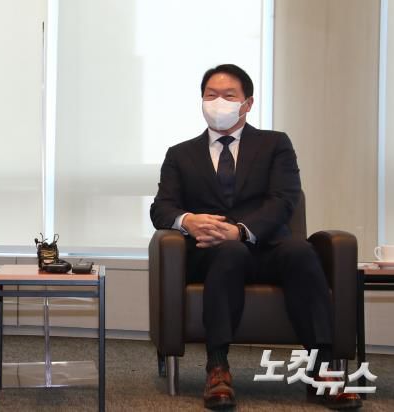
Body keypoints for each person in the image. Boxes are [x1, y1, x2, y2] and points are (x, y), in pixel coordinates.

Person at [149, 64, 362, 410]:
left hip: (267, 246)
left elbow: (284, 199)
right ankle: (217, 368)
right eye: (210, 95)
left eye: (228, 95)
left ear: (247, 103)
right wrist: (188, 220)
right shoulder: (180, 154)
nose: (218, 102)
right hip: (211, 253)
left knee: (301, 252)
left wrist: (240, 231)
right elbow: (161, 208)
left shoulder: (275, 144)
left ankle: (322, 370)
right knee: (229, 253)